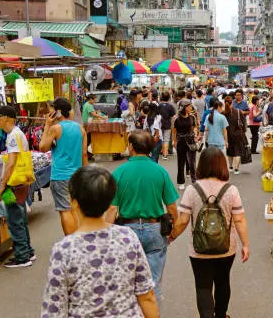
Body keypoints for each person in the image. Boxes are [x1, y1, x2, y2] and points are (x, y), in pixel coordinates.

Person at [42, 166, 159, 318]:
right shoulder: (127, 237)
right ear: (109, 201)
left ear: (74, 202)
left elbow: (54, 309)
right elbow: (146, 296)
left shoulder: (64, 249)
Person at [169, 147, 249, 318]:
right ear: (222, 166)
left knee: (203, 286)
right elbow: (239, 220)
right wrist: (245, 244)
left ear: (201, 165)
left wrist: (172, 236)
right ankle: (220, 315)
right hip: (227, 247)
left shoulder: (192, 190)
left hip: (199, 250)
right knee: (222, 282)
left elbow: (183, 220)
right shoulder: (231, 190)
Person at [105, 131, 180, 303]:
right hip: (155, 230)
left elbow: (112, 210)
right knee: (153, 284)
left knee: (127, 283)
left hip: (126, 232)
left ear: (131, 147)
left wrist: (104, 236)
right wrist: (173, 231)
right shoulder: (160, 171)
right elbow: (172, 208)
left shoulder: (119, 173)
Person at [39, 98, 88, 236]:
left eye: (52, 111)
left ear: (58, 112)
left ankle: (70, 241)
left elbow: (42, 147)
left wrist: (47, 125)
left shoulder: (55, 129)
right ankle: (78, 238)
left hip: (60, 176)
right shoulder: (80, 128)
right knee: (75, 209)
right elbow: (84, 154)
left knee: (65, 210)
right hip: (77, 175)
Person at [0, 106, 35, 268]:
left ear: (7, 118)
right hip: (21, 182)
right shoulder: (17, 133)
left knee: (14, 220)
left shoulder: (13, 136)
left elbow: (11, 164)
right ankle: (27, 251)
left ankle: (23, 256)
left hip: (14, 183)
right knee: (21, 218)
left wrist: (3, 184)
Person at [173, 99, 199, 189]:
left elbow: (195, 127)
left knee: (192, 162)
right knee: (181, 162)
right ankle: (181, 182)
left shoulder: (192, 116)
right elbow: (174, 131)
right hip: (181, 141)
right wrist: (174, 141)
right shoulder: (176, 118)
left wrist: (195, 135)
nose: (191, 107)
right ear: (183, 107)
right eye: (189, 106)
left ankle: (194, 180)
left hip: (191, 140)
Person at [223, 95, 247, 175]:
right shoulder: (238, 111)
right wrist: (244, 131)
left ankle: (230, 167)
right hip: (238, 134)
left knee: (229, 151)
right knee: (238, 152)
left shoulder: (223, 113)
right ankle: (236, 169)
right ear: (232, 103)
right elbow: (243, 123)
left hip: (228, 134)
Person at [158, 91, 176, 160]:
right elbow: (173, 116)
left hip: (160, 124)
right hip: (167, 124)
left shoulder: (159, 106)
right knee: (166, 140)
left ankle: (162, 152)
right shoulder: (170, 106)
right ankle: (165, 155)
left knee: (161, 139)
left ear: (161, 98)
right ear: (169, 98)